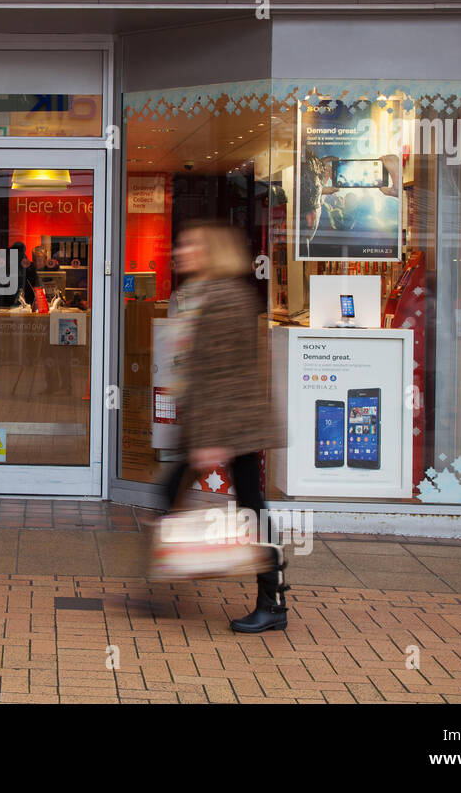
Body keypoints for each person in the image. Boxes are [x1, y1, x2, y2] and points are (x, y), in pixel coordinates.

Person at [160, 220, 288, 633]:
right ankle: (168, 579)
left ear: (211, 251)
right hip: (216, 421)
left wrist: (211, 439)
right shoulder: (201, 295)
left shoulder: (224, 298)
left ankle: (273, 601)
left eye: (192, 245)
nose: (182, 252)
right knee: (175, 494)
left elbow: (224, 373)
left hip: (230, 423)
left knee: (252, 509)